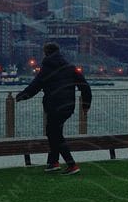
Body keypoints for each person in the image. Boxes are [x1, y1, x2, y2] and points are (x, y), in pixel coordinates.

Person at [16, 43, 92, 174]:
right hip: (68, 106)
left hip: (53, 106)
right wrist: (86, 105)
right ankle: (53, 162)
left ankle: (71, 165)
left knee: (54, 134)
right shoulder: (70, 68)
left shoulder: (46, 69)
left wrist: (21, 96)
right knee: (53, 132)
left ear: (46, 53)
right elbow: (85, 87)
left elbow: (35, 86)